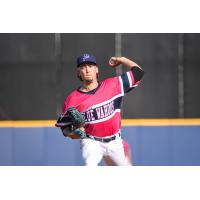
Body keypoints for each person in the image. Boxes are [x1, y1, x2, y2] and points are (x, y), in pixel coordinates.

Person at [62, 53, 144, 166]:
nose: (87, 70)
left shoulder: (113, 85)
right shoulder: (71, 100)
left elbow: (138, 73)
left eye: (90, 66)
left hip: (115, 142)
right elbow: (65, 129)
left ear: (96, 70)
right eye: (83, 67)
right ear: (78, 72)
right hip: (91, 142)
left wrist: (122, 59)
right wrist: (75, 134)